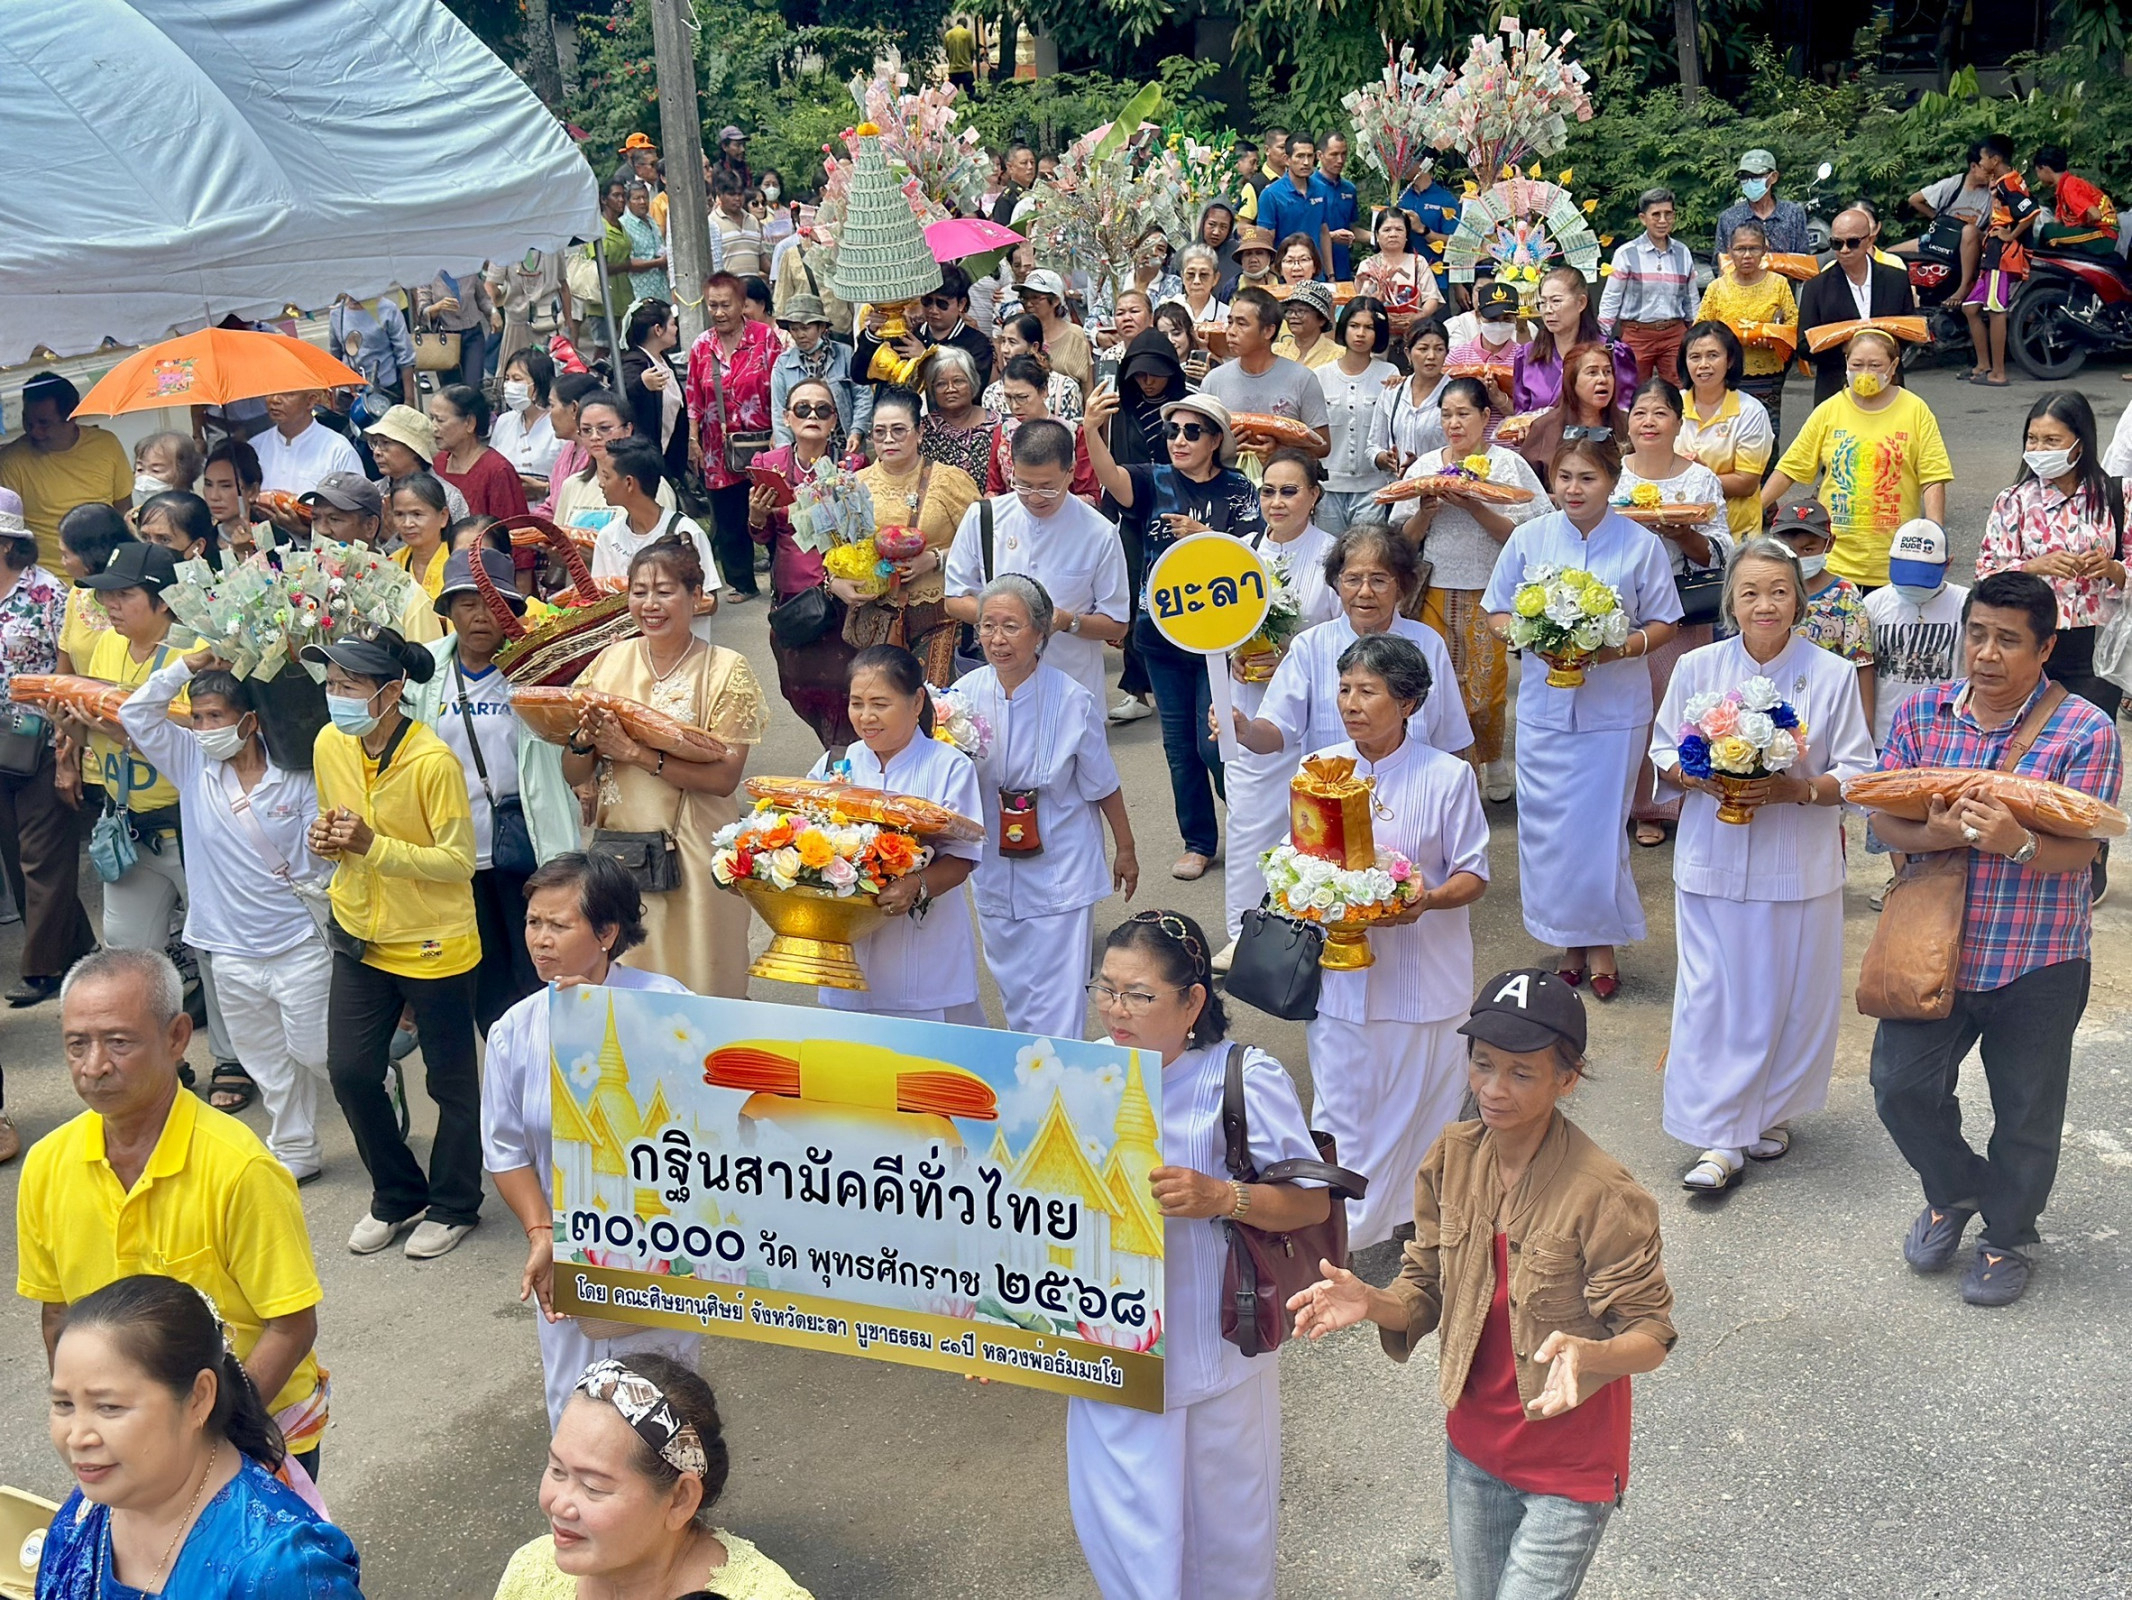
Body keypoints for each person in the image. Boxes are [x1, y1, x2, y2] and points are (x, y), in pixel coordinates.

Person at [1288, 969, 1676, 1600]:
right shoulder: (1452, 1155)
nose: (1493, 1089)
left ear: (1567, 1079)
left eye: (1521, 1073)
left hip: (1569, 1467)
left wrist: (1591, 1353)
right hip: (1473, 1451)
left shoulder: (1606, 1194)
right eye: (1483, 1064)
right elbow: (1425, 1285)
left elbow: (1652, 1334)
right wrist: (1371, 1301)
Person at [1865, 571, 2123, 1307]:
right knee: (1899, 1088)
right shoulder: (1921, 713)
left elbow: (2086, 850)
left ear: (2044, 649)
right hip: (1930, 947)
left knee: (2027, 1112)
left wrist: (2016, 843)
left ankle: (2008, 1235)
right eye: (1976, 634)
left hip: (2038, 955)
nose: (1985, 653)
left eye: (2008, 640)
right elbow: (1882, 817)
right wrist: (1936, 832)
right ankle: (1956, 1189)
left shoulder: (2086, 731)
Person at [1068, 911, 1331, 1600]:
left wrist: (1223, 1196)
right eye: (1106, 989)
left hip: (1217, 1355)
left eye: (1138, 994)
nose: (1116, 1010)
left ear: (1192, 1001)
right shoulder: (1079, 1072)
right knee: (1128, 1543)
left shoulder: (1241, 1077)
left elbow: (1311, 1205)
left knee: (1228, 1544)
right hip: (1110, 1349)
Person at [19, 950, 331, 1481]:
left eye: (119, 1042)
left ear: (177, 1037)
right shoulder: (47, 1165)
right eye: (77, 1045)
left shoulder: (240, 1168)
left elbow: (291, 1325)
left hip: (243, 1433)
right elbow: (58, 1315)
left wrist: (209, 1438)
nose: (94, 1066)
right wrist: (84, 1423)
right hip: (124, 1448)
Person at [1651, 538, 1877, 1191]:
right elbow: (1663, 750)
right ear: (1731, 601)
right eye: (1750, 592)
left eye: (1779, 591)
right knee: (1713, 997)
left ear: (1799, 600)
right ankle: (1719, 1136)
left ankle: (1770, 1111)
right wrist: (1700, 775)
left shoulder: (1831, 675)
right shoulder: (1697, 666)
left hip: (1797, 862)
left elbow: (1857, 771)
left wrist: (1794, 790)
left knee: (1789, 997)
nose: (1765, 605)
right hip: (1712, 859)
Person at [482, 856, 701, 1428]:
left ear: (606, 933)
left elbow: (699, 1113)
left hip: (658, 1248)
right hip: (567, 1257)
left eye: (559, 925)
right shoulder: (515, 1030)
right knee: (575, 1410)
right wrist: (542, 1234)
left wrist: (605, 1021)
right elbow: (505, 1150)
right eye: (533, 923)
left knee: (662, 1411)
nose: (540, 940)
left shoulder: (666, 1005)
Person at [1301, 634, 1490, 1247]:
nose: (1351, 704)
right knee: (1343, 1111)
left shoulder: (1448, 776)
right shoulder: (1318, 770)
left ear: (1407, 704)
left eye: (1368, 691)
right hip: (1339, 978)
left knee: (1420, 1112)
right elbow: (1296, 859)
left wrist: (1426, 900)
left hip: (1422, 978)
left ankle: (1414, 1224)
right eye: (1345, 689)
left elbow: (1473, 873)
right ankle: (1341, 1236)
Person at [119, 649, 333, 1183]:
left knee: (317, 1052)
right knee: (265, 1059)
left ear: (250, 721)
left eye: (215, 716)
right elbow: (135, 713)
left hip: (298, 942)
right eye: (197, 717)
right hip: (229, 949)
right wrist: (186, 667)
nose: (204, 728)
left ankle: (378, 1089)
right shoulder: (192, 763)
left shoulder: (297, 777)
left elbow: (318, 865)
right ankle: (295, 1150)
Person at [305, 628, 483, 1261]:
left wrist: (372, 846)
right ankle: (398, 1192)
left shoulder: (432, 762)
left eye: (350, 685)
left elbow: (458, 862)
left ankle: (455, 1203)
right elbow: (336, 823)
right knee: (351, 1070)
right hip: (360, 933)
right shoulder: (330, 743)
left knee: (451, 1083)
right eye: (331, 684)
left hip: (434, 941)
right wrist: (326, 840)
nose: (337, 697)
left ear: (391, 690)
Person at [1482, 439, 1683, 998]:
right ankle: (1566, 940)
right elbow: (1497, 609)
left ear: (1613, 482)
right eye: (1564, 477)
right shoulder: (1529, 538)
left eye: (1587, 478)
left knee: (1599, 831)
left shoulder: (1640, 544)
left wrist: (1616, 648)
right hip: (1545, 710)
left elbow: (1664, 621)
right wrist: (1530, 636)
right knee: (1548, 831)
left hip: (1613, 712)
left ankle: (1602, 946)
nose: (1573, 489)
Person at [36, 1275, 361, 1597]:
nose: (77, 1437)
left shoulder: (283, 1570)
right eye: (64, 1404)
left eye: (109, 1407)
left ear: (199, 1398)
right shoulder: (90, 1508)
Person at [566, 538, 765, 997]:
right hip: (620, 855)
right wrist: (581, 741)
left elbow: (724, 778)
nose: (650, 604)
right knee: (625, 989)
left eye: (664, 591)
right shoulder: (608, 662)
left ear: (697, 597)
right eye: (639, 592)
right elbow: (575, 773)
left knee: (702, 982)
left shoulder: (725, 669)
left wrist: (635, 752)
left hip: (696, 853)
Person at [1083, 390, 1260, 881]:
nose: (1179, 440)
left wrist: (1207, 539)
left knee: (1215, 744)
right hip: (1161, 639)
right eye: (1171, 431)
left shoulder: (1239, 488)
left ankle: (1251, 824)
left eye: (1192, 432)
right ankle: (1198, 842)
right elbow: (1111, 479)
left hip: (1219, 640)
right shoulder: (1153, 479)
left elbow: (1256, 554)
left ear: (1215, 440)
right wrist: (1092, 429)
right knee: (1179, 749)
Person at [958, 574, 1139, 1036]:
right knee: (1014, 988)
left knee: (1059, 995)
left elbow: (1103, 784)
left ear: (1040, 632)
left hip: (1061, 862)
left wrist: (1126, 848)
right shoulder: (961, 697)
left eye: (1011, 626)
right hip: (994, 863)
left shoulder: (1072, 699)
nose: (997, 639)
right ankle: (1027, 1068)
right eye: (987, 626)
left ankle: (1057, 1073)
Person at [403, 549, 572, 1031]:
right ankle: (507, 1062)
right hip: (454, 855)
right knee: (487, 982)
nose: (481, 616)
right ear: (448, 611)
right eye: (467, 603)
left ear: (511, 610)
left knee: (541, 969)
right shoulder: (421, 675)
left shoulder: (536, 669)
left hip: (525, 849)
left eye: (493, 604)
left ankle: (549, 1062)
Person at [496, 1353, 812, 1598]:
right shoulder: (531, 1572)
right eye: (556, 1470)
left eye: (593, 1487)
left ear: (680, 1500)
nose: (558, 1505)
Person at [1977, 388, 2129, 890]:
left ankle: (2090, 856)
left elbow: (2130, 567)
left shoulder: (2116, 497)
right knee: (2025, 746)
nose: (2039, 448)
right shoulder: (2013, 501)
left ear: (2079, 443)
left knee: (2090, 748)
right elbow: (1985, 574)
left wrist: (2112, 569)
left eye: (2051, 440)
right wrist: (2033, 566)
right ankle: (2025, 843)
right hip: (2028, 643)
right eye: (2033, 439)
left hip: (2093, 646)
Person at [801, 647, 985, 1023]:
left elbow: (963, 857)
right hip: (848, 957)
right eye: (856, 703)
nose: (866, 717)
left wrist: (916, 885)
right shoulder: (835, 765)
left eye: (880, 704)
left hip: (924, 953)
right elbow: (800, 831)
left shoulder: (949, 766)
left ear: (916, 702)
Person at [1397, 377, 1549, 802]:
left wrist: (1476, 507)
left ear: (1485, 416)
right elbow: (1403, 540)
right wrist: (1425, 513)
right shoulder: (1426, 468)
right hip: (1434, 590)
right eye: (1446, 415)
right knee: (1438, 685)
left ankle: (1492, 758)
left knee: (1488, 687)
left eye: (1463, 413)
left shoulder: (1508, 465)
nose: (1454, 423)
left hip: (1490, 592)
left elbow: (1528, 534)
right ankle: (1450, 770)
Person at [1216, 449, 1344, 954]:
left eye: (1289, 491)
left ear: (1314, 495)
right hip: (1252, 706)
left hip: (1316, 708)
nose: (1276, 502)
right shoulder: (1240, 553)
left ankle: (1315, 929)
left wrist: (1292, 654)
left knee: (1315, 821)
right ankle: (1244, 935)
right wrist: (1232, 656)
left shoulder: (1334, 556)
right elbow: (1213, 628)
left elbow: (1347, 637)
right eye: (1268, 491)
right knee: (1248, 821)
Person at [1618, 377, 1733, 845]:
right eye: (1640, 413)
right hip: (1621, 608)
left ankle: (1674, 803)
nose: (1649, 422)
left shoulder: (1699, 480)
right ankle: (1633, 803)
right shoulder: (1614, 475)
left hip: (1682, 608)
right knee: (1630, 706)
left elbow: (1722, 550)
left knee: (1680, 704)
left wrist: (1683, 533)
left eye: (1660, 413)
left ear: (1677, 422)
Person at [945, 419, 1130, 707]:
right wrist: (1007, 621)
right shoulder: (984, 518)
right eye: (1023, 484)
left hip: (1072, 688)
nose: (1034, 497)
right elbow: (954, 599)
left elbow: (1116, 624)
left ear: (1070, 472)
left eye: (1047, 487)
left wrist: (1068, 622)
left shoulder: (1099, 532)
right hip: (997, 689)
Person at [1762, 328, 1953, 590]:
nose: (1865, 373)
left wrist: (1934, 534)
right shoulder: (1829, 410)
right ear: (1846, 364)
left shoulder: (1915, 410)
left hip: (1894, 561)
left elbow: (1933, 477)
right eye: (1857, 365)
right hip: (1835, 562)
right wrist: (1754, 509)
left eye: (1875, 365)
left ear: (1893, 366)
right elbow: (1790, 469)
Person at [0, 494, 91, 1030]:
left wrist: (67, 747)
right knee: (16, 855)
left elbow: (67, 668)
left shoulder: (48, 592)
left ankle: (43, 968)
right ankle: (77, 945)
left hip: (37, 739)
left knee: (42, 855)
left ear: (7, 543)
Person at [751, 379, 859, 747]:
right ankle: (833, 750)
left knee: (843, 690)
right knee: (798, 688)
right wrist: (756, 517)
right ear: (787, 417)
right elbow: (763, 537)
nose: (812, 415)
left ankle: (842, 759)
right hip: (792, 602)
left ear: (834, 420)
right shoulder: (768, 465)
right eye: (802, 408)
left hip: (840, 601)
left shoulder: (851, 467)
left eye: (822, 409)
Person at [846, 388, 980, 678]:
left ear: (919, 433)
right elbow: (839, 547)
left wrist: (935, 559)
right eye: (879, 432)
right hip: (878, 615)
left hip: (941, 615)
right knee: (885, 697)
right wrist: (838, 582)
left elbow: (982, 543)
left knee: (935, 698)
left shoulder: (949, 480)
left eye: (898, 430)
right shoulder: (855, 485)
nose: (888, 439)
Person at [686, 271, 781, 604]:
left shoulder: (765, 338)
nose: (719, 312)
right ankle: (741, 582)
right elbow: (693, 397)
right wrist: (693, 439)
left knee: (772, 510)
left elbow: (779, 388)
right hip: (717, 447)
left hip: (763, 443)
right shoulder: (702, 346)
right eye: (713, 305)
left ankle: (783, 581)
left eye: (726, 304)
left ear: (742, 304)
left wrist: (781, 433)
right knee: (728, 516)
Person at [0, 372, 133, 572]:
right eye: (28, 421)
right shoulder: (11, 461)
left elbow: (123, 508)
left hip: (107, 571)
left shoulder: (106, 444)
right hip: (47, 579)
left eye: (44, 423)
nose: (34, 431)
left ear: (72, 416)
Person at [1796, 207, 1918, 405]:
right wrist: (1847, 348)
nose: (1844, 250)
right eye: (1836, 243)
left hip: (1888, 386)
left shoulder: (1896, 279)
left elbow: (1910, 330)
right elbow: (1803, 345)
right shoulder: (1816, 287)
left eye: (1852, 243)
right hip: (1836, 390)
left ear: (1869, 240)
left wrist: (1880, 349)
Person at [1867, 519, 1969, 753]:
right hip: (1886, 732)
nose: (1914, 586)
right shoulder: (1874, 604)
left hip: (1945, 731)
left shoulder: (1964, 603)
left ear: (1948, 564)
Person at [1771, 501, 1877, 726]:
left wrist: (1866, 725)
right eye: (1788, 550)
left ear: (1829, 544)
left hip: (1828, 706)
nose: (1798, 557)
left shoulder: (1845, 595)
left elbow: (1862, 663)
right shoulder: (1766, 593)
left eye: (1808, 549)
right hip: (1775, 706)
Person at [589, 437, 719, 612]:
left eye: (606, 476)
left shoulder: (686, 532)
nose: (601, 484)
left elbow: (710, 603)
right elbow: (599, 602)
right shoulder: (608, 537)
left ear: (629, 483)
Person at [1694, 220, 1798, 436]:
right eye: (1740, 249)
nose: (1747, 255)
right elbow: (1700, 330)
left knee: (1766, 432)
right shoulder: (1717, 288)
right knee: (1725, 431)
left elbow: (1793, 325)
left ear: (1765, 250)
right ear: (1730, 251)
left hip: (1767, 372)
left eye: (1754, 248)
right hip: (1725, 372)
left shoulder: (1779, 284)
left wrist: (1774, 337)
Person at [1677, 320, 1775, 546]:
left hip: (1735, 533)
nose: (1703, 365)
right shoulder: (1672, 404)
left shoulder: (1751, 411)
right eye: (1695, 357)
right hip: (1678, 530)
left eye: (1713, 356)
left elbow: (1746, 483)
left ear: (1730, 360)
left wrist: (1698, 475)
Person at [1201, 287, 1333, 453]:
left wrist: (1280, 451)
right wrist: (1224, 446)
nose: (1231, 332)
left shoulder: (1302, 379)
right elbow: (1200, 439)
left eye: (1242, 324)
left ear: (1268, 331)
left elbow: (1323, 446)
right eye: (1230, 322)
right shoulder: (1213, 381)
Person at [1598, 188, 1698, 384]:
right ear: (1643, 218)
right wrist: (1601, 336)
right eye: (1656, 215)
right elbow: (1612, 297)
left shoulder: (1683, 252)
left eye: (1668, 214)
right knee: (1633, 390)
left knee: (1680, 390)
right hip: (1637, 334)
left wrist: (1696, 331)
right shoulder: (1626, 254)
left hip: (1674, 333)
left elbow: (1691, 298)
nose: (1663, 220)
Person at [1512, 267, 1636, 417]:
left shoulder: (1611, 352)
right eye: (1543, 302)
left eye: (1556, 301)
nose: (1548, 310)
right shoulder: (1527, 355)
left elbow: (1624, 412)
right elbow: (1521, 415)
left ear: (1581, 303)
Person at [1960, 164, 2038, 388]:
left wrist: (2011, 235)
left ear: (1994, 160)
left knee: (1996, 310)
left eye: (1983, 159)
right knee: (1970, 308)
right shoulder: (2003, 182)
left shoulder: (2008, 183)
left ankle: (1998, 373)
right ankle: (1983, 365)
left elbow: (2031, 212)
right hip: (1992, 254)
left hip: (2002, 256)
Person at [769, 294, 870, 455]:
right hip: (802, 450)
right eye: (794, 329)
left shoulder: (844, 354)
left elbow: (862, 395)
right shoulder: (783, 364)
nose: (800, 334)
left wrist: (857, 431)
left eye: (806, 328)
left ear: (821, 327)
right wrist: (784, 454)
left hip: (843, 446)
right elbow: (779, 412)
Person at [1512, 342, 1630, 476]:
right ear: (1572, 380)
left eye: (1608, 372)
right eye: (1592, 372)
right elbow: (1526, 483)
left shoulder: (1628, 425)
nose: (1603, 379)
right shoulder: (1544, 427)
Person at [429, 384, 530, 524]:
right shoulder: (437, 463)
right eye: (431, 418)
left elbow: (513, 528)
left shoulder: (497, 471)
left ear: (470, 423)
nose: (433, 427)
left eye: (440, 420)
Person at [619, 299, 690, 492]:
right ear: (658, 329)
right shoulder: (635, 362)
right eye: (673, 324)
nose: (676, 329)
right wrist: (642, 384)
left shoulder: (663, 359)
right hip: (646, 461)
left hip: (668, 458)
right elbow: (619, 395)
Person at [52, 503, 131, 674]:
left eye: (66, 555)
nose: (63, 563)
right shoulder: (78, 594)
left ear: (91, 556)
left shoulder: (140, 599)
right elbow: (65, 670)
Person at [364, 405, 471, 522]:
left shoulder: (448, 497)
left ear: (414, 450)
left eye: (386, 443)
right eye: (375, 443)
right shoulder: (372, 493)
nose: (377, 452)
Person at [1372, 317, 1454, 470]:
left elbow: (1466, 449)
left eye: (1439, 349)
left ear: (1446, 354)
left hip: (1439, 482)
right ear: (1408, 353)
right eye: (1423, 349)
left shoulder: (1457, 394)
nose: (1431, 356)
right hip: (1398, 482)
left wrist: (1422, 465)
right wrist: (1385, 458)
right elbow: (1373, 445)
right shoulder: (1392, 392)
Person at [328, 292, 420, 420]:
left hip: (385, 392)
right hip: (349, 394)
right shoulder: (337, 313)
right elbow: (334, 357)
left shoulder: (388, 309)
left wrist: (409, 400)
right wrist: (332, 399)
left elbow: (405, 355)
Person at [1711, 147, 1811, 264]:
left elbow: (1804, 262)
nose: (1749, 181)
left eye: (1755, 176)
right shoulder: (1728, 218)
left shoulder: (1793, 213)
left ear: (1773, 177)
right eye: (1744, 177)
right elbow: (1720, 265)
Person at [254, 390, 361, 499]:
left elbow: (355, 501)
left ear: (310, 401)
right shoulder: (255, 446)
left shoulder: (338, 450)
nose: (275, 400)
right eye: (271, 392)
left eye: (287, 394)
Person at [492, 347, 566, 502]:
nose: (509, 385)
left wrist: (545, 488)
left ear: (538, 384)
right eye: (507, 378)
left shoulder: (560, 425)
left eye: (517, 379)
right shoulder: (504, 421)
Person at [1354, 207, 1443, 334]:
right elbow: (1360, 304)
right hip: (1377, 333)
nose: (1393, 234)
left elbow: (1432, 298)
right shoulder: (1368, 265)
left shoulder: (1418, 262)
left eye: (1399, 229)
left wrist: (1418, 316)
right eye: (1387, 230)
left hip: (1413, 332)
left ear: (1407, 234)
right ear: (1377, 235)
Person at [1257, 133, 1332, 281]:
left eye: (1310, 156)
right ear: (1287, 159)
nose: (1306, 162)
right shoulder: (1271, 194)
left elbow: (1324, 232)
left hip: (1316, 276)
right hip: (1284, 276)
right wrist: (1271, 278)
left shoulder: (1321, 189)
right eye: (1300, 156)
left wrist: (1331, 274)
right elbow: (1265, 241)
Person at [982, 314, 1082, 421]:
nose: (1004, 349)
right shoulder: (992, 393)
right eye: (1003, 341)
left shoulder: (1065, 388)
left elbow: (1072, 429)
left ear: (1034, 347)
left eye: (1012, 342)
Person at [915, 347, 994, 482]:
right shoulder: (922, 430)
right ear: (932, 389)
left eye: (958, 381)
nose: (950, 389)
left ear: (972, 382)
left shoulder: (999, 426)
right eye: (941, 384)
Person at [414, 268, 498, 394]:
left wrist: (493, 312)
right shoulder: (427, 275)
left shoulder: (469, 270)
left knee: (474, 385)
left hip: (472, 333)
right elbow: (423, 311)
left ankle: (473, 405)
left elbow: (483, 299)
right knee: (451, 391)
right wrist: (437, 307)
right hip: (445, 339)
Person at [1009, 270, 1091, 397]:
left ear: (1055, 300)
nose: (1029, 304)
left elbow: (1087, 385)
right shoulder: (1019, 334)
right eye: (1025, 298)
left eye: (1035, 298)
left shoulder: (1075, 334)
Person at [2031, 144, 2119, 255]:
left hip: (2103, 237)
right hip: (2098, 235)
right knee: (2050, 229)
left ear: (2045, 169)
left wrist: (2081, 226)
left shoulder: (2070, 186)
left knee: (2047, 231)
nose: (2038, 177)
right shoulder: (2062, 188)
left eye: (2038, 172)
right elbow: (2057, 222)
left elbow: (2095, 214)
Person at [389, 472, 452, 600]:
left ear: (443, 516)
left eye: (417, 514)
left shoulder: (460, 564)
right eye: (399, 514)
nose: (407, 524)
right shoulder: (393, 563)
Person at [200, 439, 268, 558]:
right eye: (208, 484)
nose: (214, 496)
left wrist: (245, 554)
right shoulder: (201, 544)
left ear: (252, 491)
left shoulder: (276, 539)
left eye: (226, 486)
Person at [1312, 131, 1360, 280]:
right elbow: (1299, 231)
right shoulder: (1308, 187)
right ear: (1320, 155)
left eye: (1343, 154)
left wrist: (1378, 235)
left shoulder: (1349, 189)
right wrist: (1330, 237)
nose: (1340, 160)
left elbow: (1351, 229)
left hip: (1342, 268)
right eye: (1334, 154)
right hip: (1314, 269)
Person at [618, 181, 670, 303]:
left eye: (645, 197)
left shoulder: (651, 220)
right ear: (628, 202)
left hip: (662, 291)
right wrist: (658, 262)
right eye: (637, 198)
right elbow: (628, 263)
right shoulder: (623, 226)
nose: (642, 202)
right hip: (641, 294)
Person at [1166, 245, 1230, 330]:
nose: (1196, 281)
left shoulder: (1227, 315)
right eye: (1191, 274)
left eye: (1204, 275)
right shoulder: (1167, 310)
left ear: (1215, 278)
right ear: (1182, 276)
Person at [1230, 227, 1280, 294]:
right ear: (1241, 259)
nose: (1253, 260)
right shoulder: (1231, 287)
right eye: (1248, 254)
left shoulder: (1283, 284)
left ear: (1269, 258)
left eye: (1259, 253)